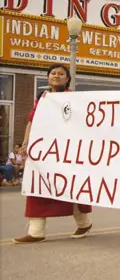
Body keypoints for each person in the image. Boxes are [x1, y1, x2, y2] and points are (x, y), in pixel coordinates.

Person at [13, 64, 93, 244]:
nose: (56, 76)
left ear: (67, 79)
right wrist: (26, 143)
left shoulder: (74, 99)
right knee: (37, 187)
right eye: (53, 73)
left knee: (68, 188)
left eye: (61, 74)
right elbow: (31, 122)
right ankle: (36, 231)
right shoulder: (42, 98)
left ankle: (84, 222)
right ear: (48, 77)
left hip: (65, 151)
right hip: (44, 150)